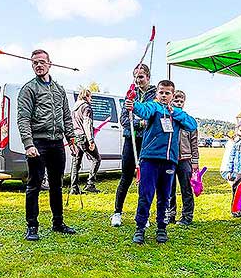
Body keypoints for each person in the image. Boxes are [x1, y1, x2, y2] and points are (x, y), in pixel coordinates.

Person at [124, 80, 197, 244]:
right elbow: (143, 110)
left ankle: (161, 227)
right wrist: (133, 105)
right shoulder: (153, 107)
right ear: (157, 93)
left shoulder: (177, 113)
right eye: (161, 92)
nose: (164, 96)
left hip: (169, 161)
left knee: (165, 196)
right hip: (149, 159)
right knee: (146, 194)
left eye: (167, 93)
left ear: (173, 95)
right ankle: (140, 227)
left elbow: (192, 125)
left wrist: (175, 113)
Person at [17, 49, 76, 241]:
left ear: (50, 64)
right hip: (38, 144)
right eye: (34, 63)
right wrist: (28, 144)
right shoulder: (29, 89)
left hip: (57, 143)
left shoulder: (59, 89)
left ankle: (58, 223)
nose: (38, 65)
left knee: (56, 185)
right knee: (34, 185)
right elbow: (23, 118)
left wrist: (72, 139)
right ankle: (32, 226)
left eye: (42, 62)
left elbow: (67, 116)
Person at [110, 64, 157, 227]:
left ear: (148, 77)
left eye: (141, 76)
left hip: (148, 141)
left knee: (145, 178)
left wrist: (146, 122)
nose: (138, 80)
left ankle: (144, 215)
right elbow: (124, 119)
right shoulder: (131, 94)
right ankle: (117, 212)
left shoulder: (155, 95)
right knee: (126, 176)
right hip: (131, 140)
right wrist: (139, 123)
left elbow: (154, 118)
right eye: (136, 77)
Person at [164, 90, 199, 226]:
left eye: (181, 101)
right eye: (176, 101)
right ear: (171, 100)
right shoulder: (167, 119)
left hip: (185, 159)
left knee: (186, 189)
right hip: (170, 159)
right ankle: (170, 214)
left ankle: (187, 216)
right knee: (169, 188)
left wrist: (195, 161)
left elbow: (194, 143)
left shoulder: (188, 121)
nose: (178, 103)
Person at [70, 88, 102, 194]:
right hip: (84, 137)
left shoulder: (74, 108)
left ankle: (73, 188)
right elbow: (86, 124)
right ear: (86, 97)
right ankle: (90, 184)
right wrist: (91, 140)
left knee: (76, 163)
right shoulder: (86, 107)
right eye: (90, 97)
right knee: (96, 159)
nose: (91, 99)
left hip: (76, 137)